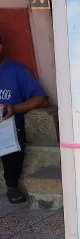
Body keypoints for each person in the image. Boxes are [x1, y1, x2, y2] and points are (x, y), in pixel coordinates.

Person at [0, 36, 49, 204]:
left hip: (8, 125)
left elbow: (41, 99)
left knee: (10, 139)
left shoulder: (16, 71)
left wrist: (14, 109)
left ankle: (11, 185)